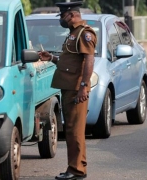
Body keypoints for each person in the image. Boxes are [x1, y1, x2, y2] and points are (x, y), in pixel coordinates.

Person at [38, 1, 97, 180]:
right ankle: (76, 167)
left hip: (76, 89)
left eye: (62, 16)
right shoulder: (73, 34)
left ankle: (77, 170)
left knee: (75, 131)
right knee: (71, 130)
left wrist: (84, 87)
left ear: (71, 14)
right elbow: (71, 62)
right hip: (69, 88)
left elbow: (89, 60)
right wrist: (53, 59)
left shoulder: (84, 34)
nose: (61, 20)